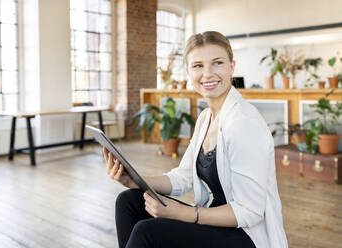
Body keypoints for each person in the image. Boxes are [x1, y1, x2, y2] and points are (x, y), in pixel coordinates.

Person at [103, 31, 288, 248]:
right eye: (198, 65)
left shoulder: (243, 123)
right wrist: (134, 180)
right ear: (189, 72)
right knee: (129, 202)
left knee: (148, 232)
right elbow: (183, 178)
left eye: (217, 63)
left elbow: (250, 212)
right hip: (215, 221)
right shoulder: (206, 118)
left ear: (231, 66)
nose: (207, 74)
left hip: (246, 235)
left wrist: (185, 213)